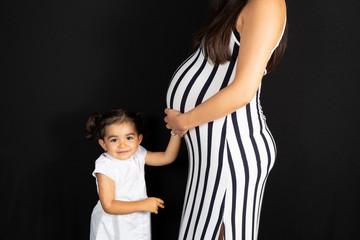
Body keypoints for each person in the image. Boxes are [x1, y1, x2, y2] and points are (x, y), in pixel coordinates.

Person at [164, 0, 287, 239]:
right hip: (215, 152)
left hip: (231, 149)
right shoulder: (240, 5)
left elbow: (243, 91)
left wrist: (184, 121)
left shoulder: (266, 3)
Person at [86, 109, 181, 240]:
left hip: (135, 220)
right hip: (112, 226)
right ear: (103, 144)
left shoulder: (138, 154)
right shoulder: (105, 166)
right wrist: (143, 205)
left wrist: (176, 132)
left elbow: (167, 157)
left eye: (129, 138)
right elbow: (108, 205)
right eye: (114, 140)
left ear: (139, 139)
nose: (122, 145)